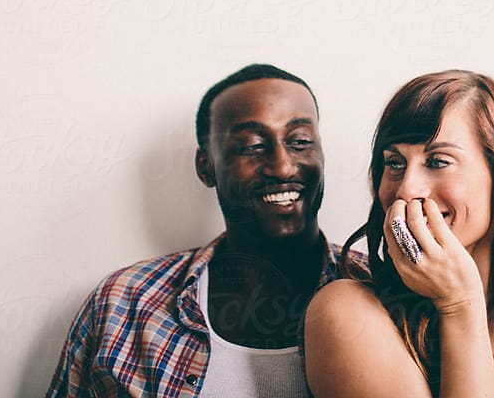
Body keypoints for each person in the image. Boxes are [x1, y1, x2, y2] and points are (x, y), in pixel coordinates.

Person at [48, 63, 363, 398]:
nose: (282, 166)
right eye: (252, 145)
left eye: (300, 141)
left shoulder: (386, 293)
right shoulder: (123, 306)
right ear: (206, 166)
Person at [304, 70, 494, 398]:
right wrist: (459, 304)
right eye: (394, 163)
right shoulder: (348, 314)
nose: (406, 190)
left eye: (438, 161)